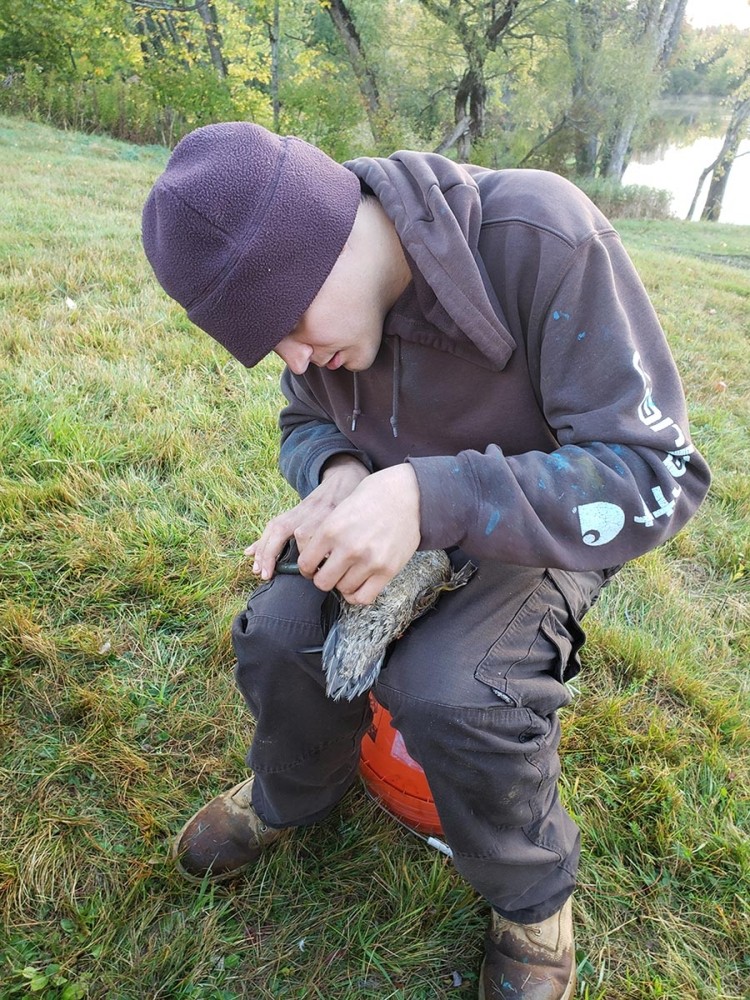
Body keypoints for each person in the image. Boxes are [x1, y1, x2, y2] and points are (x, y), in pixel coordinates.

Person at [141, 121, 710, 1000]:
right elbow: (306, 417)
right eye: (267, 346)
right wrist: (334, 473)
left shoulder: (540, 238)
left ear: (323, 237)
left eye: (286, 322)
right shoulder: (326, 319)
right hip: (386, 506)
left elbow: (656, 475)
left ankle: (531, 900)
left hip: (536, 519)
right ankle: (294, 790)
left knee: (454, 690)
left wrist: (425, 498)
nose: (292, 357)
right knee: (280, 628)